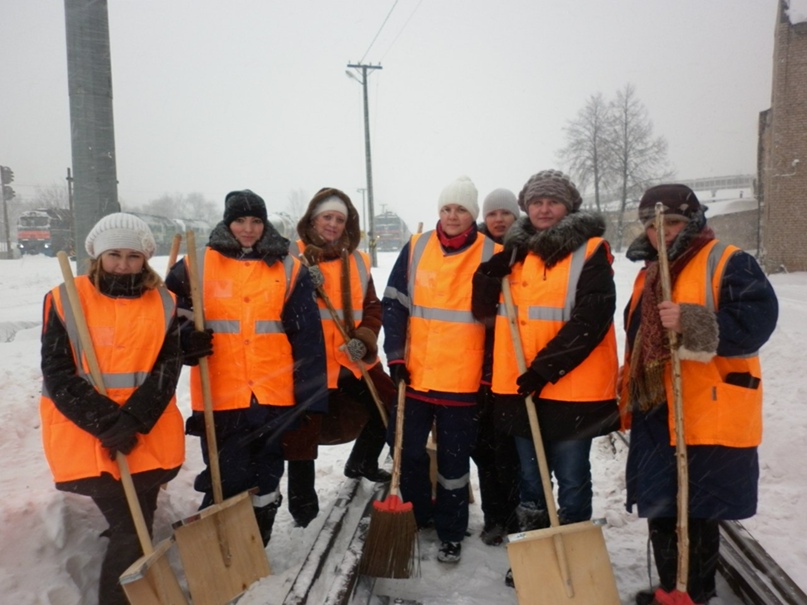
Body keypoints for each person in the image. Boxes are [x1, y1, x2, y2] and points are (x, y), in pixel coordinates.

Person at [620, 185, 778, 605]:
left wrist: (690, 320)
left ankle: (696, 594)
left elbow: (756, 324)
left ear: (691, 219)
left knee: (699, 512)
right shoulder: (650, 271)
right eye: (653, 225)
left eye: (671, 222)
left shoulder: (729, 261)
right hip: (658, 408)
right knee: (661, 508)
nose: (663, 232)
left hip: (705, 409)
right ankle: (672, 590)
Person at [472, 169, 620, 585]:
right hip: (522, 389)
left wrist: (544, 368)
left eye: (552, 201)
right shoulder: (515, 252)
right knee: (532, 481)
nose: (543, 208)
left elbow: (591, 319)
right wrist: (489, 272)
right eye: (536, 202)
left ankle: (574, 555)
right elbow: (482, 312)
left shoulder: (591, 251)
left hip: (573, 389)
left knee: (572, 479)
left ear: (568, 206)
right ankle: (537, 555)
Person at [165, 189, 328, 546]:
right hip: (222, 393)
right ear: (228, 222)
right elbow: (164, 314)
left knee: (267, 473)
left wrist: (310, 399)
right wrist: (184, 338)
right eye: (240, 220)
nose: (248, 229)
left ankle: (258, 537)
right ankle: (226, 543)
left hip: (273, 392)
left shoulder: (288, 267)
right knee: (227, 471)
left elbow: (308, 338)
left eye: (256, 221)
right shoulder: (197, 264)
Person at [40, 213, 185, 605]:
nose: (123, 264)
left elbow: (166, 368)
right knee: (131, 528)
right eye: (114, 254)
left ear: (146, 258)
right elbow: (56, 373)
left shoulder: (166, 302)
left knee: (135, 522)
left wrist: (133, 420)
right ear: (97, 256)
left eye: (133, 256)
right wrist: (108, 422)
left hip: (146, 432)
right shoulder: (65, 298)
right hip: (87, 435)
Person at [382, 176, 500, 564]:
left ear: (473, 215)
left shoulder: (491, 253)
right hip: (415, 376)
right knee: (407, 451)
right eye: (447, 208)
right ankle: (419, 513)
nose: (452, 216)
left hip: (462, 383)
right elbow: (395, 304)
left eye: (461, 209)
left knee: (453, 464)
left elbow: (498, 326)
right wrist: (396, 357)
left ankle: (452, 531)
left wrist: (486, 376)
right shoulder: (416, 247)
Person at [283, 187, 395, 528]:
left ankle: (361, 461)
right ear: (312, 220)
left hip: (352, 358)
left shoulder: (357, 259)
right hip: (311, 362)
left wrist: (365, 337)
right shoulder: (292, 258)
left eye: (339, 219)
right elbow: (275, 308)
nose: (332, 225)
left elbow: (373, 307)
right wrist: (301, 283)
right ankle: (302, 506)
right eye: (326, 217)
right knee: (302, 433)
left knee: (391, 406)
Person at [473, 186, 522, 545]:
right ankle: (494, 517)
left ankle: (517, 515)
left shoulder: (529, 249)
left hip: (516, 369)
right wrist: (489, 275)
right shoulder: (476, 251)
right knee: (483, 449)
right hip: (479, 367)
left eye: (505, 213)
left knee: (513, 452)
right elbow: (479, 310)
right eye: (493, 214)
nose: (499, 219)